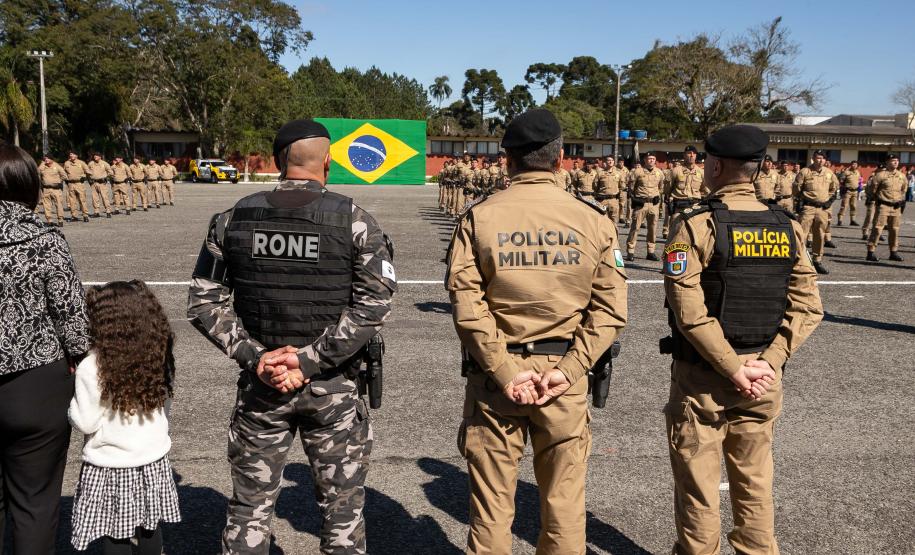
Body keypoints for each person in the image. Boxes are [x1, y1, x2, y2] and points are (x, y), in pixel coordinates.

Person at [187, 119, 396, 555]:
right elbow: (373, 305)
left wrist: (257, 356)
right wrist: (308, 361)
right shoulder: (354, 220)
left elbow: (204, 304)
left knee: (249, 510)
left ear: (279, 161)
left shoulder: (233, 219)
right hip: (334, 388)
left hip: (262, 386)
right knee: (342, 516)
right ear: (328, 160)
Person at [447, 109, 627, 555]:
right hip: (562, 379)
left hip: (496, 380)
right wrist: (570, 370)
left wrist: (507, 372)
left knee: (491, 510)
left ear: (507, 160)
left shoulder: (479, 218)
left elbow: (468, 309)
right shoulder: (593, 219)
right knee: (564, 508)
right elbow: (609, 310)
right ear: (561, 158)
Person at [662, 125, 824, 555]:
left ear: (714, 166)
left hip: (705, 379)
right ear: (757, 168)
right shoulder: (787, 225)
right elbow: (808, 306)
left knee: (699, 486)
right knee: (754, 483)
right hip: (764, 379)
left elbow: (689, 312)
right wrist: (768, 363)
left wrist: (733, 368)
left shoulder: (696, 223)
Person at [0, 144, 91, 554]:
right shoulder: (44, 239)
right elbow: (72, 316)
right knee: (34, 502)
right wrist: (80, 359)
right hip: (34, 385)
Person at [69, 280, 181, 554]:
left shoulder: (92, 366)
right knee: (150, 528)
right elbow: (164, 405)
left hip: (111, 462)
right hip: (152, 458)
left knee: (116, 533)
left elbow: (85, 421)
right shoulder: (156, 354)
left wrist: (71, 405)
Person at [793, 150, 838, 274]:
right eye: (817, 158)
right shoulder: (805, 172)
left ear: (825, 160)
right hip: (808, 208)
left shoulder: (829, 173)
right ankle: (799, 260)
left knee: (820, 235)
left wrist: (828, 202)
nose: (820, 160)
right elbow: (796, 190)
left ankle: (817, 260)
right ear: (813, 158)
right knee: (802, 234)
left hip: (822, 209)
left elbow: (834, 189)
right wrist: (800, 204)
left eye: (822, 158)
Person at [866, 153, 908, 262]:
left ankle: (893, 252)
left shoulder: (901, 176)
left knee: (894, 230)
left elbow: (904, 190)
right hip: (883, 206)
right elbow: (871, 189)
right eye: (893, 160)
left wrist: (900, 200)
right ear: (887, 162)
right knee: (877, 229)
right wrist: (877, 199)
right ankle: (870, 252)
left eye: (897, 161)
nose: (896, 162)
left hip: (896, 207)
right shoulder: (880, 175)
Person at [626, 152, 665, 261]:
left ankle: (651, 251)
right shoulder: (637, 172)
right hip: (641, 204)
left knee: (653, 228)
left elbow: (661, 188)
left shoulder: (659, 173)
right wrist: (635, 199)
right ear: (645, 160)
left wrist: (656, 196)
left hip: (653, 204)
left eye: (653, 158)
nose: (651, 160)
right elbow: (631, 188)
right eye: (649, 158)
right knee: (635, 228)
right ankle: (630, 251)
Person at [663, 146, 704, 238]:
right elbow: (667, 189)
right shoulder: (675, 171)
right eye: (689, 153)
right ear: (684, 155)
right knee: (674, 235)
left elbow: (705, 190)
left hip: (695, 208)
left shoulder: (701, 173)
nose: (691, 155)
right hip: (679, 208)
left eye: (694, 154)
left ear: (696, 156)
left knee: (695, 236)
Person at [38, 155, 68, 226]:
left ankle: (60, 220)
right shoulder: (43, 167)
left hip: (56, 189)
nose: (46, 160)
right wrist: (42, 164)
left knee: (59, 204)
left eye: (48, 158)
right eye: (45, 158)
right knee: (46, 205)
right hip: (46, 189)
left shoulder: (57, 166)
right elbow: (37, 173)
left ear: (52, 159)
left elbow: (64, 176)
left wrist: (59, 182)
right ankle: (49, 220)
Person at [594, 154, 624, 222]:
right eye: (608, 160)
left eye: (612, 160)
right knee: (601, 220)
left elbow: (621, 187)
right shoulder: (600, 173)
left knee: (614, 221)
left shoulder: (618, 174)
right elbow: (595, 186)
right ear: (605, 162)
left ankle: (614, 233)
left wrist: (620, 200)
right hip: (602, 200)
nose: (610, 162)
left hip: (614, 200)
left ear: (614, 162)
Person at [64, 151, 92, 222]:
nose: (71, 155)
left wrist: (85, 177)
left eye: (73, 154)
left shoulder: (81, 163)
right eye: (70, 154)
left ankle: (85, 215)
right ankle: (74, 216)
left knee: (82, 200)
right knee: (72, 201)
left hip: (79, 184)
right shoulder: (66, 163)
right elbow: (63, 172)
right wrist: (65, 179)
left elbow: (88, 171)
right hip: (70, 184)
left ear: (76, 155)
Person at [87, 153, 113, 218]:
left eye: (97, 156)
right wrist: (89, 180)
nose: (95, 157)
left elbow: (111, 172)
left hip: (102, 183)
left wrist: (106, 178)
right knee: (95, 198)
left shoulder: (105, 164)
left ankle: (108, 211)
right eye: (94, 156)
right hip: (94, 183)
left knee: (105, 198)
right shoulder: (91, 163)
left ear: (100, 157)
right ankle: (96, 212)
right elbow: (87, 172)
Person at [836, 160, 861, 226]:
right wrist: (844, 189)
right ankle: (840, 220)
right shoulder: (846, 172)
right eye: (853, 164)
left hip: (855, 192)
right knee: (844, 206)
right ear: (851, 165)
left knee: (854, 206)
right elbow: (841, 181)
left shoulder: (858, 172)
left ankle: (852, 220)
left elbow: (858, 181)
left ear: (857, 166)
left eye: (855, 164)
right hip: (848, 191)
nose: (854, 165)